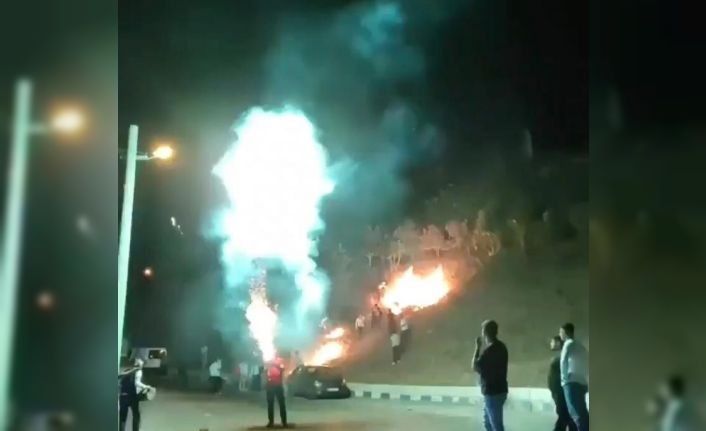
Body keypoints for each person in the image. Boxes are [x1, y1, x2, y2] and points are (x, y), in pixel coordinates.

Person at [472, 320, 508, 431]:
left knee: (495, 425)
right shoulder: (502, 347)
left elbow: (475, 366)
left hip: (492, 393)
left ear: (485, 333)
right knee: (489, 424)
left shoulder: (489, 351)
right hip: (500, 390)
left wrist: (477, 348)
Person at [559, 323, 589, 431]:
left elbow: (563, 361)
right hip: (582, 382)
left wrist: (564, 379)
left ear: (565, 332)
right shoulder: (581, 346)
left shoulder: (568, 344)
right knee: (582, 412)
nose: (560, 334)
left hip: (571, 382)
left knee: (575, 413)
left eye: (561, 332)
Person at [548, 336, 576, 431]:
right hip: (558, 391)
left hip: (560, 391)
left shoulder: (562, 356)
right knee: (565, 415)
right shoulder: (560, 355)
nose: (551, 343)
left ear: (558, 343)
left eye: (552, 342)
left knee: (563, 415)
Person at [119, 358, 154, 431]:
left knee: (122, 417)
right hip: (132, 396)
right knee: (136, 415)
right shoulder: (138, 371)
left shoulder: (126, 370)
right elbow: (137, 383)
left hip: (123, 395)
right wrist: (146, 386)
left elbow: (120, 380)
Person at [265, 355, 289, 428]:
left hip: (277, 386)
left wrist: (274, 365)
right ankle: (271, 422)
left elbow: (282, 371)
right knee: (271, 405)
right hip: (271, 386)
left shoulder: (280, 365)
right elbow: (266, 373)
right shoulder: (270, 365)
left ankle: (283, 422)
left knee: (281, 404)